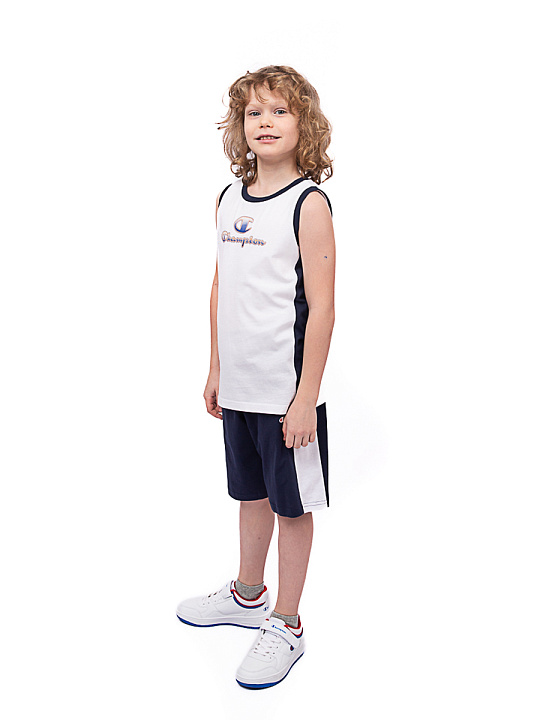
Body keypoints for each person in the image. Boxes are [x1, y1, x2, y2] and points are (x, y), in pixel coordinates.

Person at [176, 65, 335, 690]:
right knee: (250, 493)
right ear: (239, 126)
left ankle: (287, 623)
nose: (265, 122)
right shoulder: (228, 198)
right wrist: (216, 366)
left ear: (304, 124)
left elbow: (322, 307)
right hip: (239, 386)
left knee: (291, 505)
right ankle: (247, 595)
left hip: (285, 393)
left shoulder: (307, 204)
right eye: (253, 112)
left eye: (279, 111)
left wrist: (306, 397)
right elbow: (222, 286)